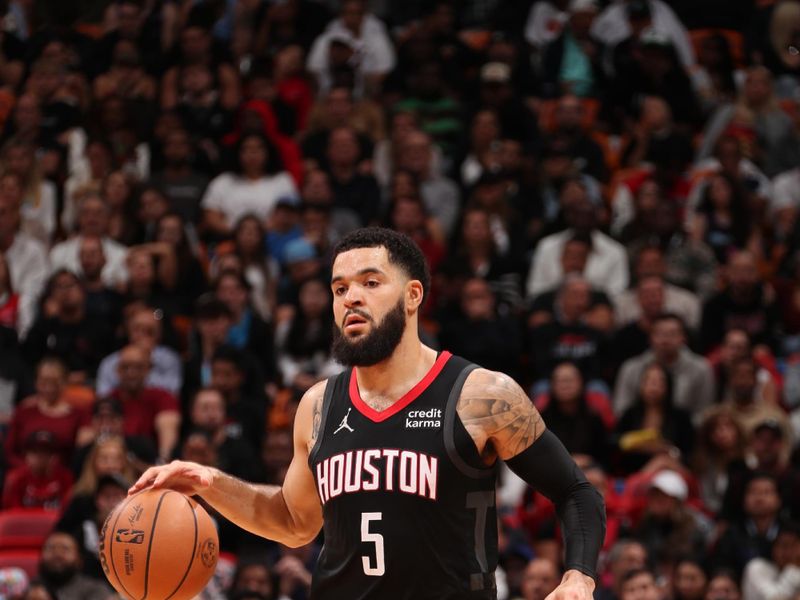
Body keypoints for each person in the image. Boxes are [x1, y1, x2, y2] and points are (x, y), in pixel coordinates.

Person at [131, 228, 605, 599]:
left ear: (413, 295)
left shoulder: (480, 395)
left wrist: (578, 577)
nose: (350, 298)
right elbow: (295, 523)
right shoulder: (317, 405)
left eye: (370, 283)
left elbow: (576, 491)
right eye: (339, 288)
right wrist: (210, 483)